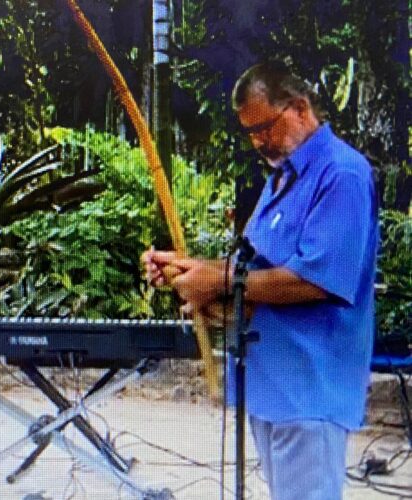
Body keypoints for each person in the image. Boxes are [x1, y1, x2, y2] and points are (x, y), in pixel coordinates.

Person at [142, 60, 378, 500]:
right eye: (249, 132)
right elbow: (252, 271)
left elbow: (316, 280)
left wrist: (216, 277)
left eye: (265, 127)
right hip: (272, 384)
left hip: (310, 389)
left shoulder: (342, 174)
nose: (258, 141)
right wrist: (187, 271)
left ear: (300, 108)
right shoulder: (281, 178)